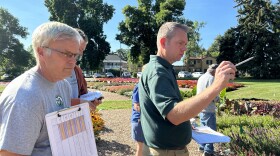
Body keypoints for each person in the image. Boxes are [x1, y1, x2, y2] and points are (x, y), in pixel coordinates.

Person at [138, 22, 236, 156]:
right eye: (180, 43)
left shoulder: (164, 68)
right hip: (166, 152)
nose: (184, 49)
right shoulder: (158, 72)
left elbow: (167, 112)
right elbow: (174, 115)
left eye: (185, 44)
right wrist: (216, 85)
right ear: (163, 42)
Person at [0, 21, 82, 155]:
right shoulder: (25, 98)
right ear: (41, 52)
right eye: (66, 54)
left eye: (75, 55)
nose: (73, 61)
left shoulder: (63, 84)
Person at [67, 28, 102, 110]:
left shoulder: (77, 70)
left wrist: (91, 101)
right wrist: (80, 102)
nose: (81, 53)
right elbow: (53, 101)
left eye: (82, 50)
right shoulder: (53, 70)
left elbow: (83, 93)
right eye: (79, 49)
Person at [196, 64, 219, 156]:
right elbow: (212, 94)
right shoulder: (211, 79)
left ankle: (202, 146)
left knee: (203, 129)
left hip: (201, 107)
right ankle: (208, 151)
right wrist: (218, 99)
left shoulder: (201, 77)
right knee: (211, 131)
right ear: (214, 71)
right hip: (209, 108)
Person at [131, 65, 146, 156]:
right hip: (139, 121)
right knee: (140, 148)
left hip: (143, 121)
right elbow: (136, 106)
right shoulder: (139, 86)